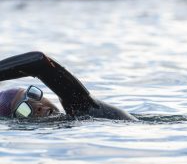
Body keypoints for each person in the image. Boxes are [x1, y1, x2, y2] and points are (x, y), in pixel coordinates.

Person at [0, 51, 137, 121]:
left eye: (32, 96)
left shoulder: (82, 106)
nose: (38, 107)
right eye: (23, 110)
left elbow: (39, 62)